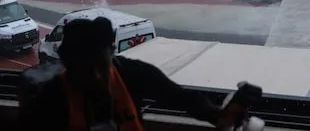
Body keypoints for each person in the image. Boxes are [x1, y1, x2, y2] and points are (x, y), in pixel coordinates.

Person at [19, 16, 250, 131]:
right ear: (68, 65)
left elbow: (181, 97)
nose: (97, 76)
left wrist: (220, 115)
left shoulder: (132, 73)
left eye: (101, 66)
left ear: (112, 55)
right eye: (87, 69)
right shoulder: (50, 98)